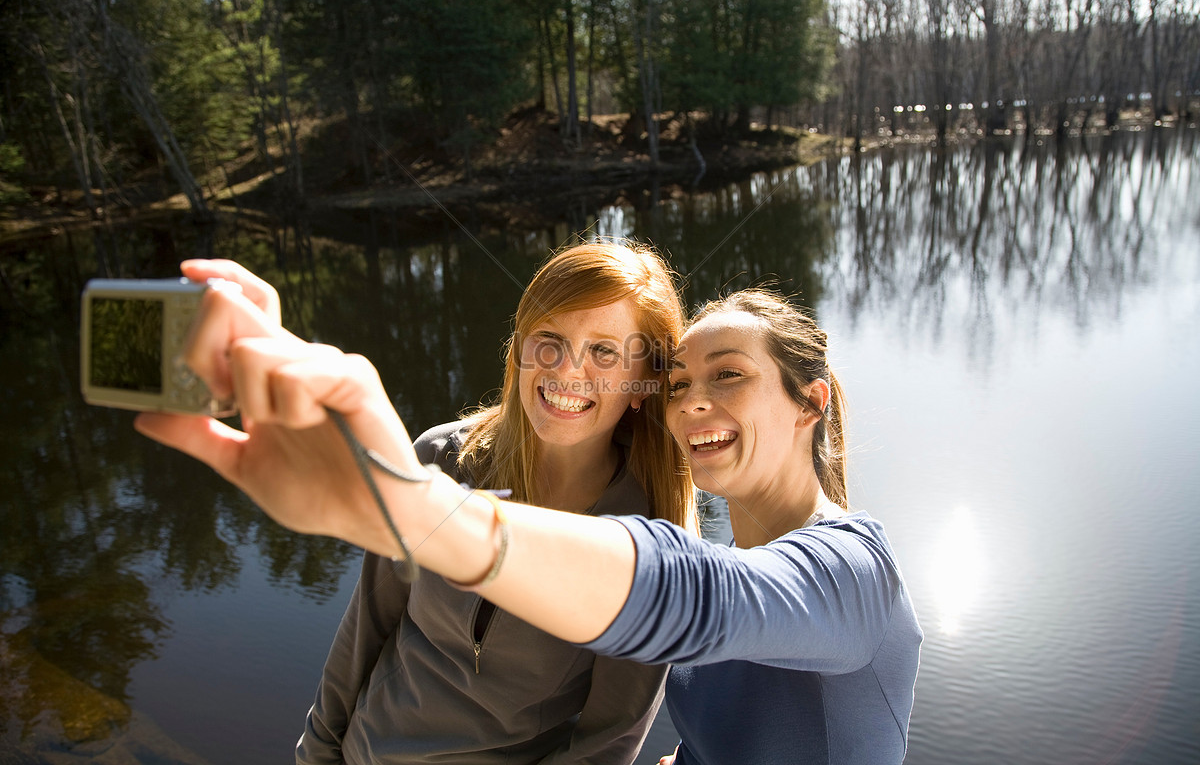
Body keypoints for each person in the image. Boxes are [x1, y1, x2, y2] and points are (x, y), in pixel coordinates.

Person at [138, 271, 923, 764]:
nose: (694, 402)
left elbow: (694, 596)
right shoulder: (727, 577)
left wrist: (418, 509)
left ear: (809, 402)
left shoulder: (855, 574)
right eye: (678, 382)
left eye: (730, 375)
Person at [160, 246, 696, 765]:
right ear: (519, 348)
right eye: (548, 339)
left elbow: (608, 741)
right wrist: (317, 753)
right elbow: (365, 630)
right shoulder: (440, 459)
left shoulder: (647, 543)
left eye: (604, 351)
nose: (566, 370)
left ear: (641, 384)